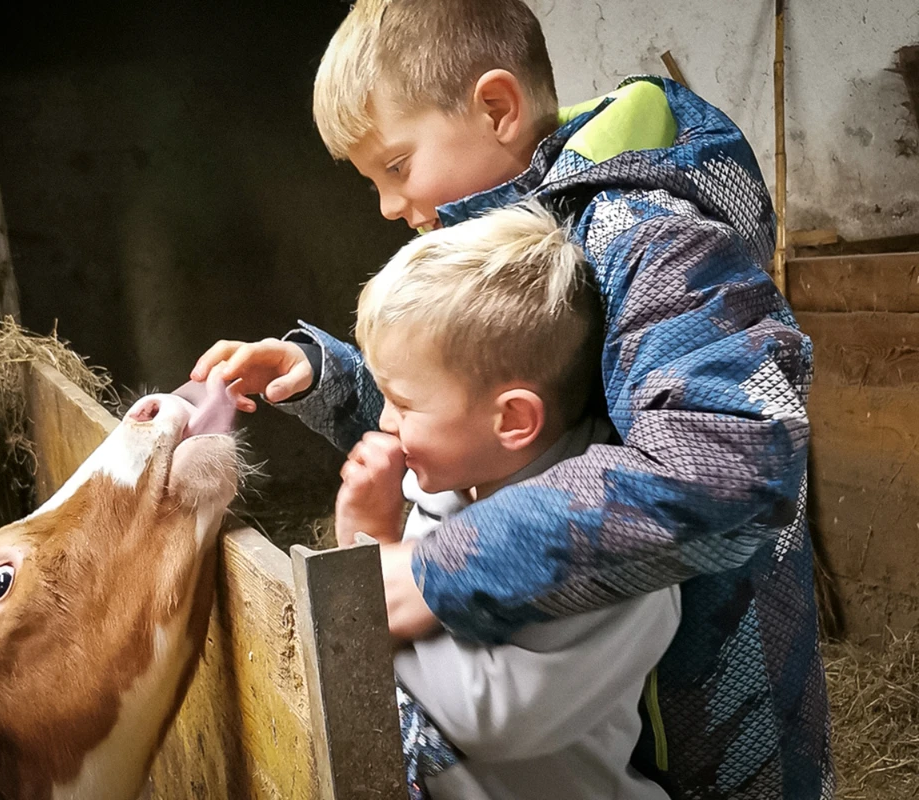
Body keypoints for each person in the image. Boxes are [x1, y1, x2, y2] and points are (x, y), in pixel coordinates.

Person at [192, 1, 832, 797]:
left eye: (395, 166)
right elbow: (487, 426)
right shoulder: (551, 221)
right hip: (605, 716)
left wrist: (435, 567)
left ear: (496, 108)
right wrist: (328, 377)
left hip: (717, 703)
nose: (389, 206)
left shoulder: (651, 235)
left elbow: (730, 461)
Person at [343, 201, 680, 800]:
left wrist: (371, 563)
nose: (386, 424)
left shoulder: (612, 552)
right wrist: (375, 552)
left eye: (403, 403)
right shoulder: (447, 484)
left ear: (513, 420)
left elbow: (493, 715)